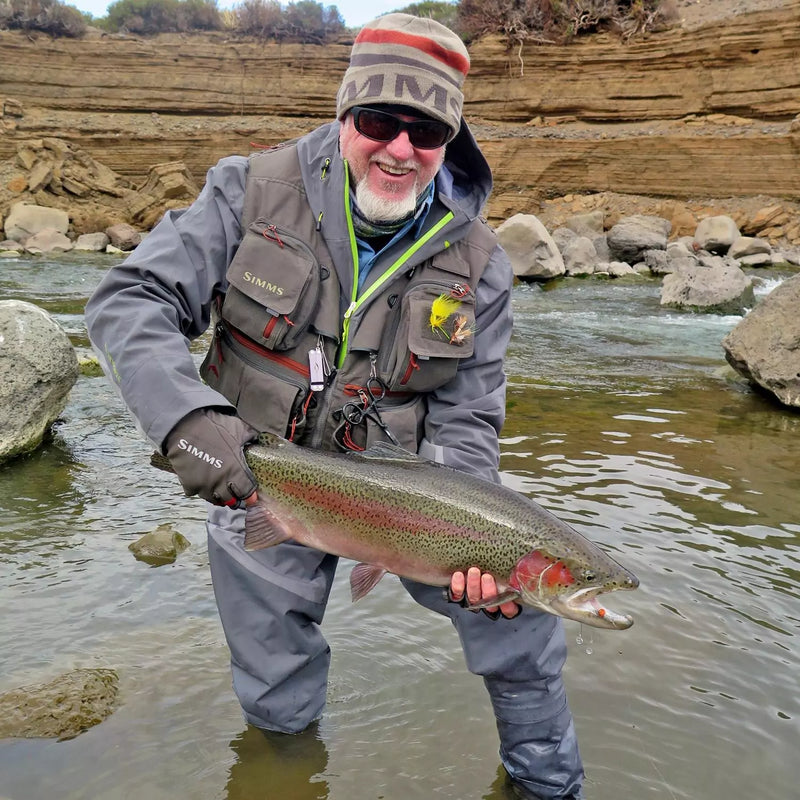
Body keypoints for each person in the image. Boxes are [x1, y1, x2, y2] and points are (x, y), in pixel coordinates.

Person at [85, 13, 584, 799]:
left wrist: (475, 540)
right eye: (379, 120)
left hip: (407, 498)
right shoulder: (249, 190)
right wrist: (185, 421)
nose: (400, 149)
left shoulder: (480, 263)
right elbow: (129, 298)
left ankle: (547, 784)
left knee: (521, 620)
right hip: (257, 479)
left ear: (450, 140)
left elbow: (468, 421)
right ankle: (284, 777)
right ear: (345, 112)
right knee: (274, 682)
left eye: (426, 131)